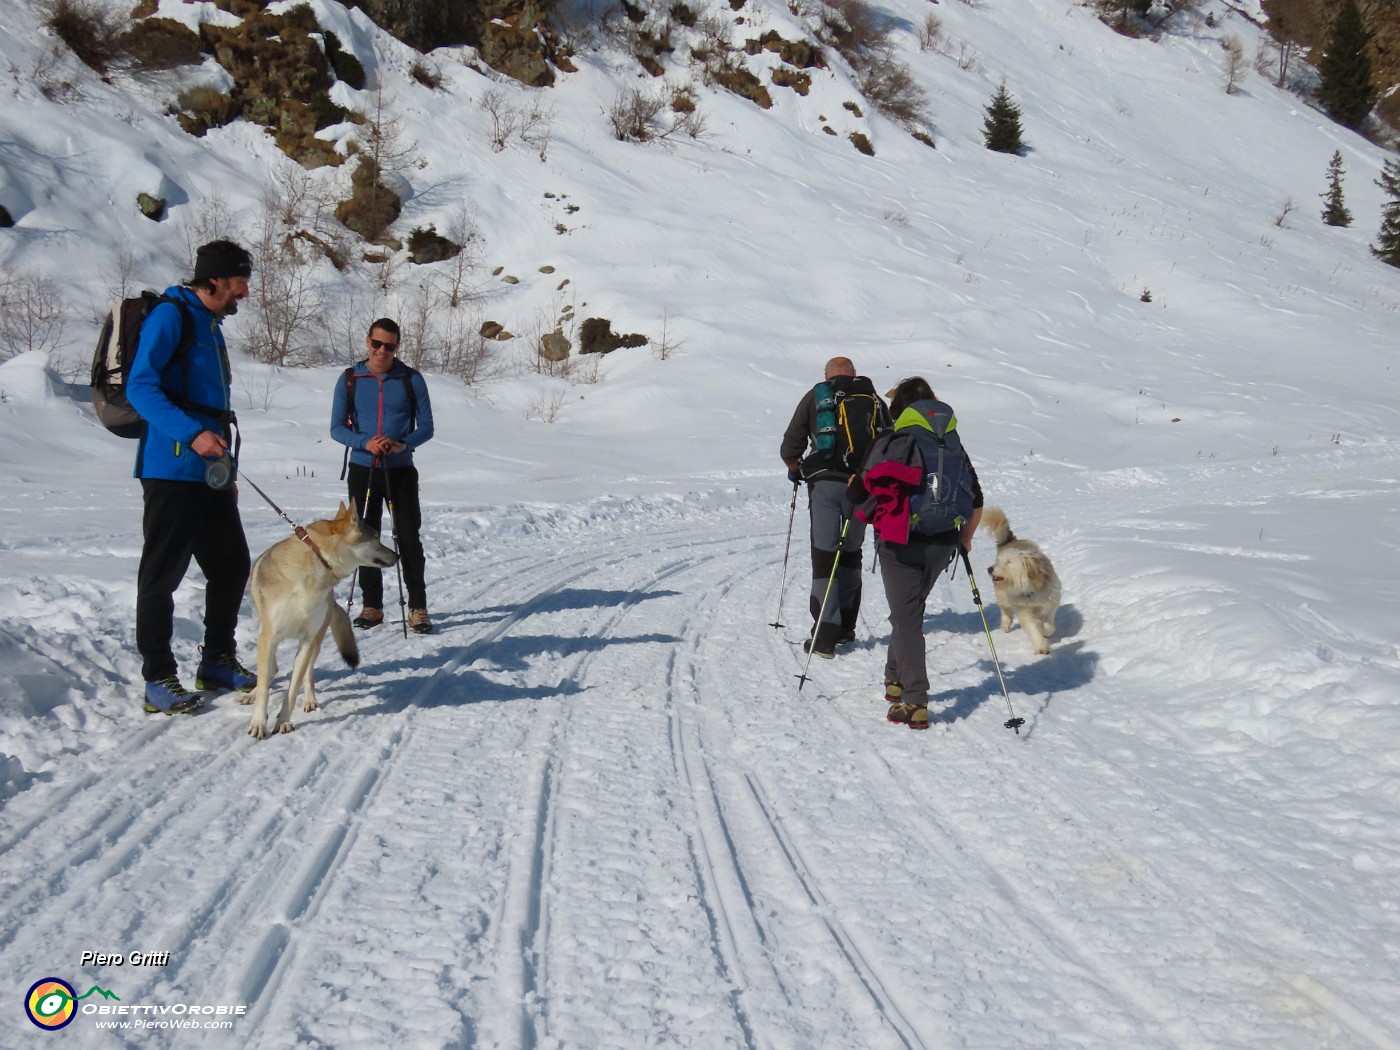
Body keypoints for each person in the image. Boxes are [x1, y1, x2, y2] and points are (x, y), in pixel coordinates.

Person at [126, 239, 256, 714]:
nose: (245, 291)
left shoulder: (211, 325)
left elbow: (212, 409)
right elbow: (140, 387)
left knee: (231, 565)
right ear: (216, 279)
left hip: (210, 472)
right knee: (161, 576)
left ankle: (217, 660)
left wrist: (227, 468)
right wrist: (192, 434)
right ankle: (158, 678)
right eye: (240, 281)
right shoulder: (171, 316)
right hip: (171, 468)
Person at [848, 376, 983, 730]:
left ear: (900, 407)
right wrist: (965, 540)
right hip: (943, 541)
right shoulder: (950, 442)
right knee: (908, 612)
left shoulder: (893, 439)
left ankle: (915, 700)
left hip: (900, 540)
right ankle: (895, 677)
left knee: (906, 616)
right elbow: (977, 499)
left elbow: (859, 494)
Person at [330, 318, 436, 634]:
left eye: (389, 346)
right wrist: (364, 441)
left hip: (400, 469)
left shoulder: (410, 379)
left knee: (407, 537)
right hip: (363, 469)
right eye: (377, 344)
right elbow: (336, 428)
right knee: (363, 538)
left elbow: (427, 427)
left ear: (396, 347)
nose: (381, 351)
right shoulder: (350, 379)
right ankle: (372, 606)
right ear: (368, 342)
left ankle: (417, 607)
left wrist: (403, 443)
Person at [780, 356, 889, 658]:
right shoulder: (873, 399)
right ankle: (847, 628)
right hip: (862, 485)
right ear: (855, 373)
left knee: (826, 554)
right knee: (851, 553)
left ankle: (824, 637)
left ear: (826, 375)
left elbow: (791, 445)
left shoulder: (817, 396)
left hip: (825, 483)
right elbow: (889, 442)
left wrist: (795, 468)